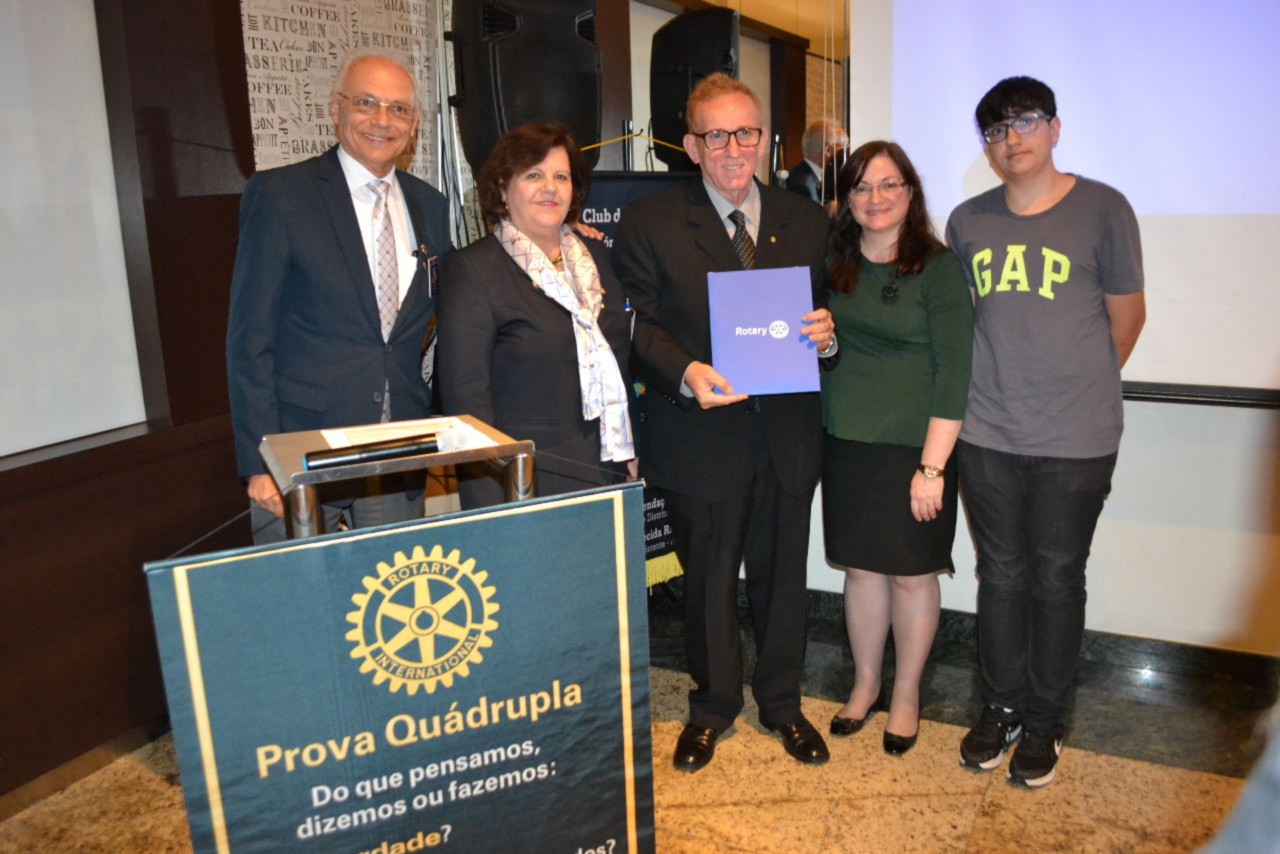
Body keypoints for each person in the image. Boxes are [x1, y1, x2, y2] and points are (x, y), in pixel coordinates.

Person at [614, 73, 838, 773]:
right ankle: (712, 708)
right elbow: (635, 325)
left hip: (787, 435)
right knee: (709, 585)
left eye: (746, 132)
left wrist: (828, 336)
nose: (733, 148)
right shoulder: (651, 222)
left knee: (783, 580)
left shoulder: (808, 221)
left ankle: (783, 703)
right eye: (716, 135)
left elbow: (831, 313)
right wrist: (685, 371)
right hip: (700, 437)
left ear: (765, 139)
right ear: (690, 146)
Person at [946, 76, 1146, 788]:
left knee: (1057, 578)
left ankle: (1046, 718)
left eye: (1026, 121)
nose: (1013, 139)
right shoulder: (966, 222)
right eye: (997, 130)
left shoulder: (1105, 210)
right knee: (1000, 576)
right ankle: (1000, 707)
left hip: (1076, 441)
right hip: (987, 433)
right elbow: (964, 322)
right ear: (988, 147)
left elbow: (1127, 319)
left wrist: (1072, 390)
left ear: (1055, 128)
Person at [227, 51, 453, 543]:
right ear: (336, 108)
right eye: (366, 103)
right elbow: (249, 338)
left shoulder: (430, 205)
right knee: (300, 587)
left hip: (397, 446)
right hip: (300, 448)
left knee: (394, 583)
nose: (382, 120)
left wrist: (558, 239)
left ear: (414, 122)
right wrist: (259, 462)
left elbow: (455, 297)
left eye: (398, 108)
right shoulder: (282, 195)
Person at [821, 141, 973, 756]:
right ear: (847, 199)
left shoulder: (937, 268)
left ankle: (906, 694)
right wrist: (823, 345)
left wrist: (932, 468)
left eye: (889, 185)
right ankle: (865, 684)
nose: (875, 198)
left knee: (912, 576)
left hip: (917, 449)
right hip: (847, 441)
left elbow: (955, 372)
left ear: (910, 193)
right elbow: (824, 352)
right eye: (861, 187)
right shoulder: (833, 263)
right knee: (861, 570)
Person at [435, 123, 634, 508]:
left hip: (604, 468)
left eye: (561, 177)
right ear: (502, 189)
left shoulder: (596, 260)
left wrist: (629, 449)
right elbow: (465, 402)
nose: (550, 188)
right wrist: (486, 500)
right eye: (533, 175)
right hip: (520, 481)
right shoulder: (472, 269)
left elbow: (621, 361)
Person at [785, 118, 847, 205]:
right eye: (843, 147)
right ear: (827, 149)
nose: (845, 154)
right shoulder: (802, 185)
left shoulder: (821, 179)